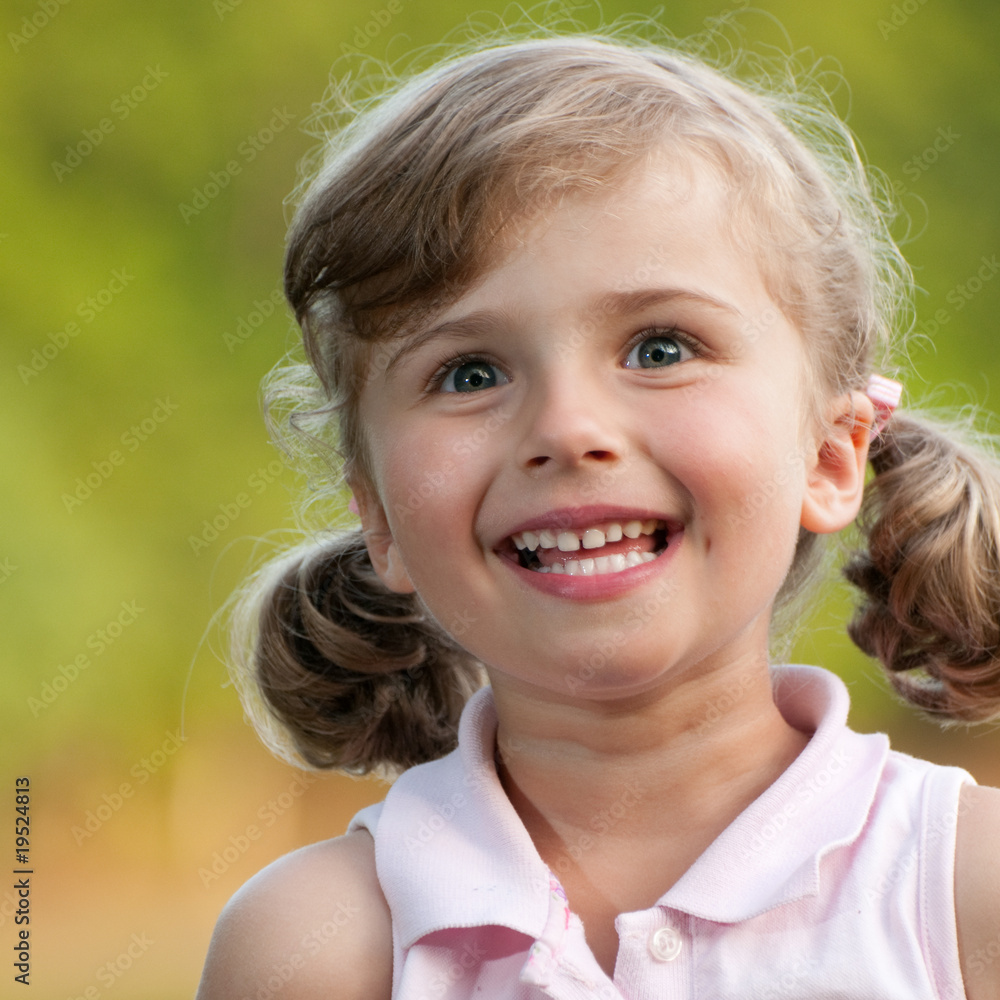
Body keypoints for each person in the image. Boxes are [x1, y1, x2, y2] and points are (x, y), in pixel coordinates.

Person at [195, 28, 1000, 1000]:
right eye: (469, 372)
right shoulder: (318, 948)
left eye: (660, 348)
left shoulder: (964, 893)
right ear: (379, 517)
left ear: (830, 456)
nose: (568, 429)